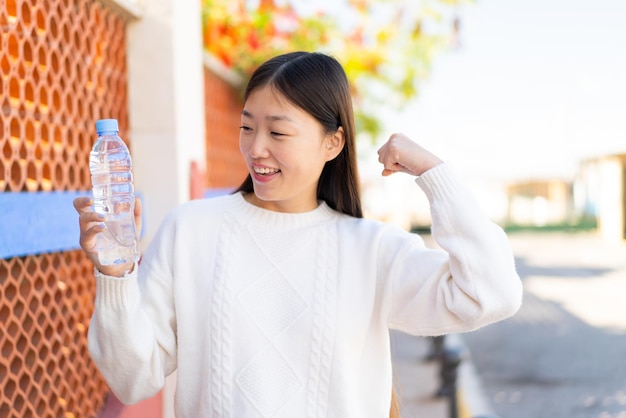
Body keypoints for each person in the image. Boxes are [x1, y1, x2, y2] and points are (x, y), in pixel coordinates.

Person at [74, 51, 522, 418]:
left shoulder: (372, 250)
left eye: (278, 131)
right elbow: (133, 379)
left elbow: (490, 293)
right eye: (247, 127)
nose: (256, 148)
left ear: (333, 143)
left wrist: (434, 174)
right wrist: (115, 275)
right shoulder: (189, 230)